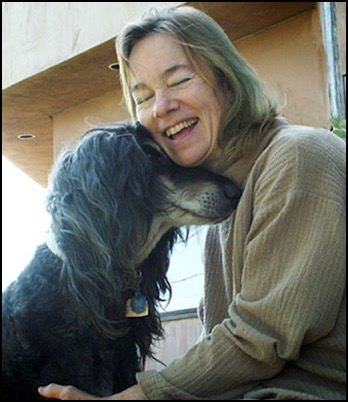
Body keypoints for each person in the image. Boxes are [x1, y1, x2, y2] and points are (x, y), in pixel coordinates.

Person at [38, 5, 346, 400]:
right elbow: (219, 346)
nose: (161, 107)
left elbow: (260, 339)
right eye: (143, 96)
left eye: (179, 80)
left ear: (227, 80)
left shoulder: (299, 158)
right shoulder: (221, 200)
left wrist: (127, 399)